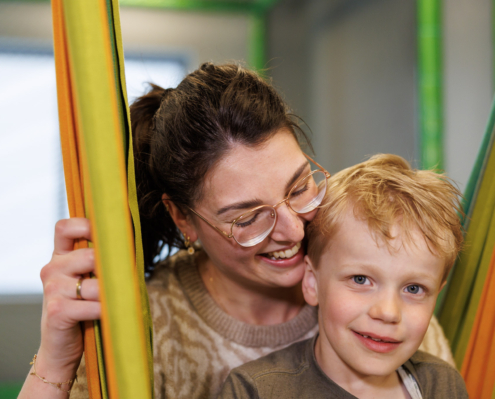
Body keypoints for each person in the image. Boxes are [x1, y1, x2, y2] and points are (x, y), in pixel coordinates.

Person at [18, 64, 454, 399]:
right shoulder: (151, 326)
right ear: (183, 219)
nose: (292, 230)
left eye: (300, 187)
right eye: (247, 218)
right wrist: (56, 361)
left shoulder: (376, 288)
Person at [219, 154, 468, 399]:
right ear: (312, 282)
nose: (388, 312)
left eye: (413, 289)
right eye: (360, 279)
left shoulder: (443, 385)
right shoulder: (256, 391)